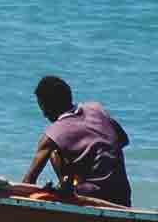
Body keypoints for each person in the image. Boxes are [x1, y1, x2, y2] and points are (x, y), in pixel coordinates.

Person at [22, 76, 132, 206]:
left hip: (90, 196)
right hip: (122, 197)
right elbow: (123, 140)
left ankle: (68, 188)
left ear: (45, 106)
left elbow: (29, 180)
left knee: (54, 152)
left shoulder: (53, 133)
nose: (44, 114)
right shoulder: (96, 109)